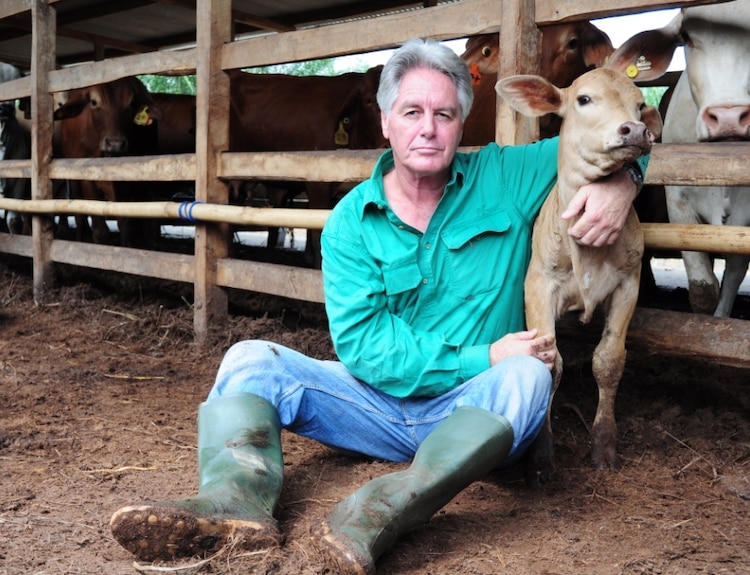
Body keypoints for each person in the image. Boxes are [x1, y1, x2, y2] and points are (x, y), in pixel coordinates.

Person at [108, 37, 644, 574]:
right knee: (248, 360)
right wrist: (482, 357)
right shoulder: (349, 221)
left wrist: (625, 182)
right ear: (386, 120)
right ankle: (234, 503)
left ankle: (379, 511)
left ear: (463, 123)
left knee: (530, 373)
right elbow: (363, 347)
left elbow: (610, 131)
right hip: (374, 405)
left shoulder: (506, 175)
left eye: (444, 113)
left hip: (477, 412)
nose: (428, 128)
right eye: (412, 112)